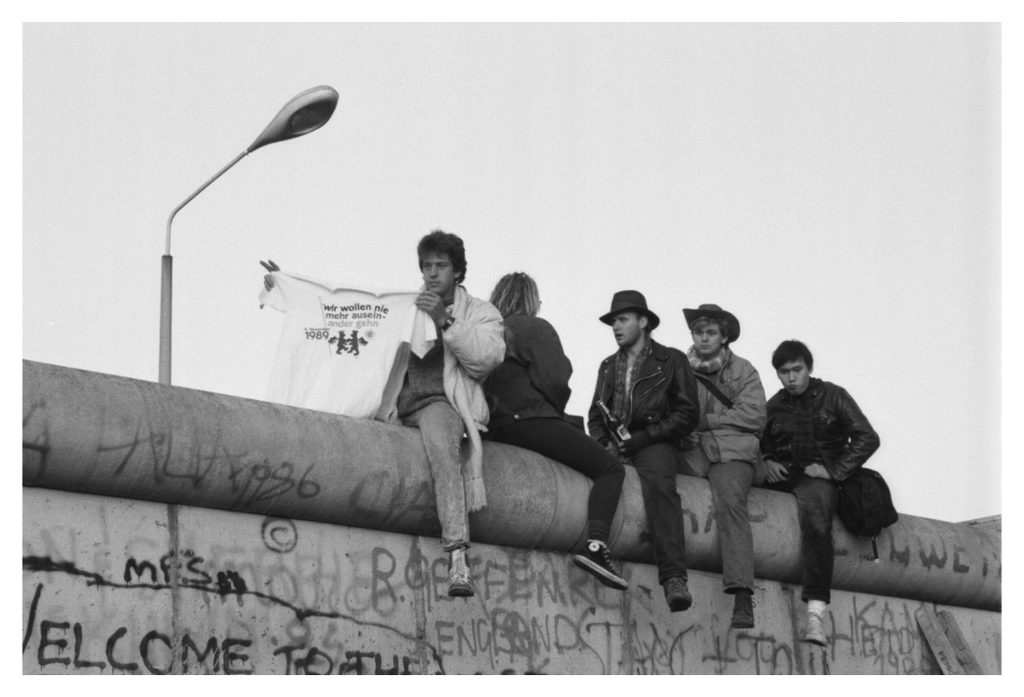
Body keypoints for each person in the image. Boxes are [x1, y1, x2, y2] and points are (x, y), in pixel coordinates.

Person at [262, 230, 505, 599]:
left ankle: (457, 556)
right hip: (392, 405)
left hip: (438, 405)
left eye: (441, 266)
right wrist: (291, 289)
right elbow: (347, 317)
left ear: (458, 271)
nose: (432, 273)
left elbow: (487, 358)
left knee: (444, 451)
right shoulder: (406, 305)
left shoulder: (480, 312)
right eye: (426, 266)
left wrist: (445, 321)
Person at [483, 272, 628, 591]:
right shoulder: (534, 326)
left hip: (495, 427)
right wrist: (554, 410)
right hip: (530, 419)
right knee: (611, 469)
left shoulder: (487, 329)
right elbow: (556, 378)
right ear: (531, 299)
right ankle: (596, 547)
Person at [760, 339, 880, 646]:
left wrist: (833, 470)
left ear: (809, 368)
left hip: (816, 478)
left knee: (816, 521)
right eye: (784, 372)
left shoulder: (833, 395)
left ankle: (815, 614)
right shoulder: (773, 405)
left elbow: (867, 437)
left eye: (797, 370)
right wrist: (766, 461)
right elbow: (759, 441)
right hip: (780, 476)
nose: (791, 378)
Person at [588, 290, 700, 612]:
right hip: (615, 441)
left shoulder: (672, 360)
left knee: (661, 486)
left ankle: (674, 577)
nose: (616, 327)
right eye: (613, 321)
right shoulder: (607, 366)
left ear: (643, 322)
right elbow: (595, 414)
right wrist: (602, 441)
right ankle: (595, 548)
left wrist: (644, 437)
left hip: (654, 440)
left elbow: (687, 414)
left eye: (622, 319)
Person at [678, 304, 766, 629]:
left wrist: (709, 421)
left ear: (724, 337)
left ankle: (742, 595)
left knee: (730, 502)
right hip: (693, 452)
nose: (704, 337)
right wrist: (682, 432)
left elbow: (755, 414)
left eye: (711, 332)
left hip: (732, 453)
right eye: (698, 332)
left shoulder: (744, 369)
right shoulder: (680, 368)